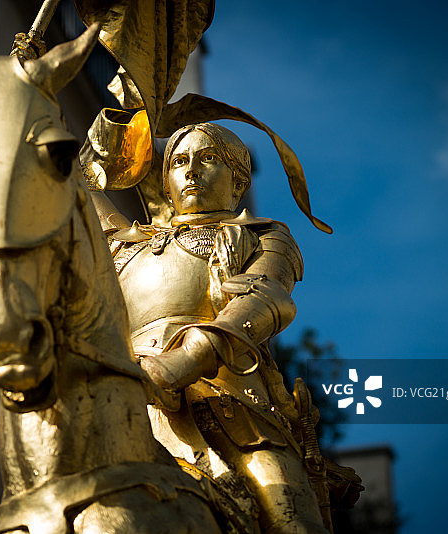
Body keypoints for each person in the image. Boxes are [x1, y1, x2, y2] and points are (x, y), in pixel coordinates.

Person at [90, 123, 331, 534]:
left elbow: (266, 298)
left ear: (238, 182)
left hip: (235, 410)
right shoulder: (125, 246)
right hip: (130, 400)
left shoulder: (264, 237)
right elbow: (74, 197)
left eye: (208, 159)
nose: (191, 171)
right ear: (166, 184)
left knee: (294, 524)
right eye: (180, 162)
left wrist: (186, 359)